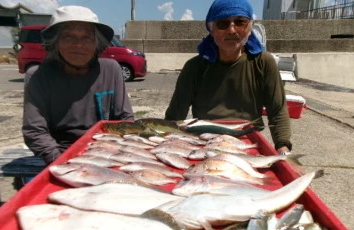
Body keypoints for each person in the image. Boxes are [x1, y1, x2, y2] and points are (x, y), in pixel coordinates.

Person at [165, 0, 292, 155]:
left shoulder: (263, 62)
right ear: (211, 30)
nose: (232, 30)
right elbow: (175, 117)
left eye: (240, 22)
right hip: (205, 142)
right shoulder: (195, 67)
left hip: (248, 142)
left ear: (250, 27)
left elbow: (277, 111)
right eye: (223, 23)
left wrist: (283, 148)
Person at [22, 6, 134, 165]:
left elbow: (125, 119)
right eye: (68, 36)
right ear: (56, 42)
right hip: (61, 153)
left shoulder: (111, 69)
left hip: (108, 150)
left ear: (96, 43)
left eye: (86, 37)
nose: (78, 45)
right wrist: (63, 162)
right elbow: (35, 131)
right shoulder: (38, 76)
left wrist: (113, 153)